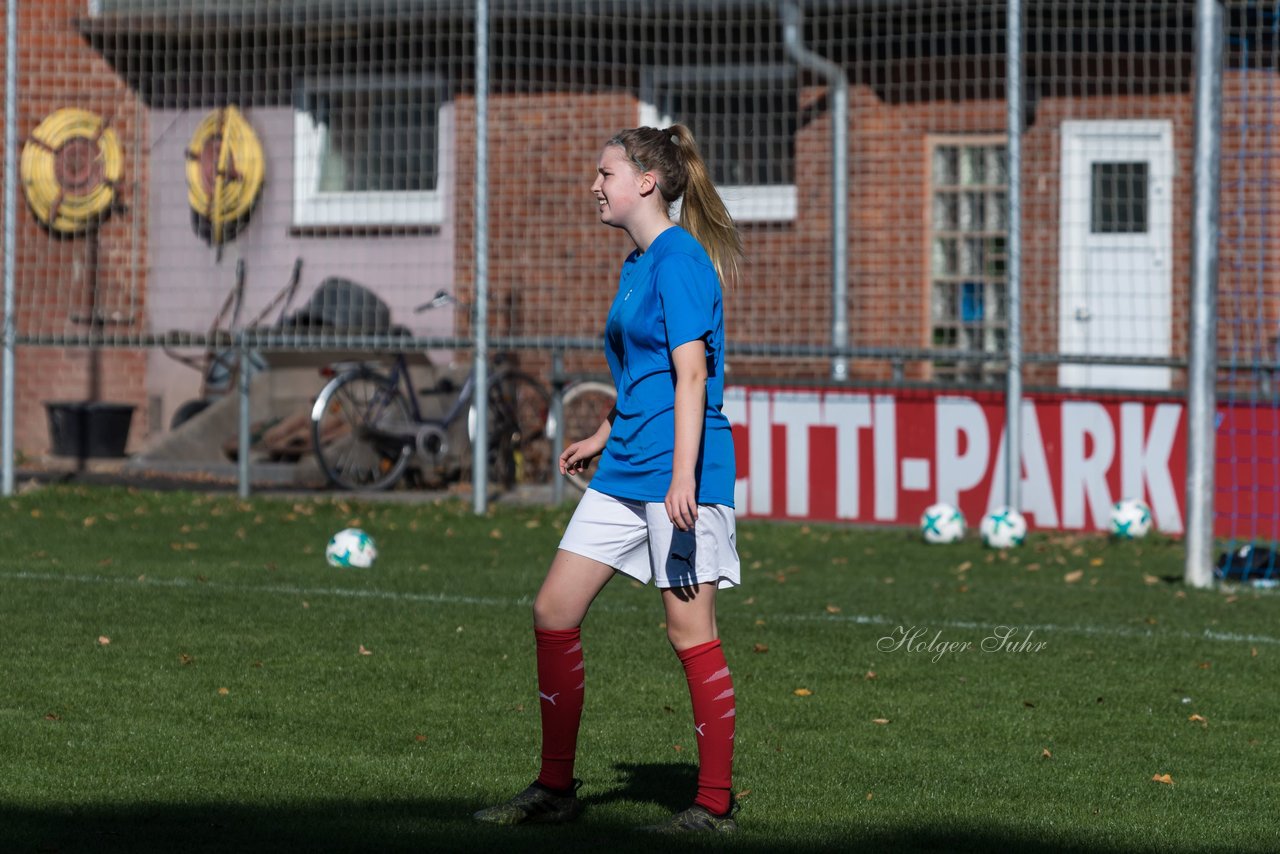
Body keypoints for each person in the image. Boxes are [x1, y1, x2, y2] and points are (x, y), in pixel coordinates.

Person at [472, 125, 744, 834]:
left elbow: (692, 374)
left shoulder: (680, 260)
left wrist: (681, 475)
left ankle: (713, 805)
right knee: (553, 609)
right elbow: (645, 374)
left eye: (606, 173)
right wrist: (604, 433)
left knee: (689, 634)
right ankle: (555, 789)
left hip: (680, 472)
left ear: (646, 183)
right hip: (628, 465)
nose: (595, 184)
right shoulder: (638, 263)